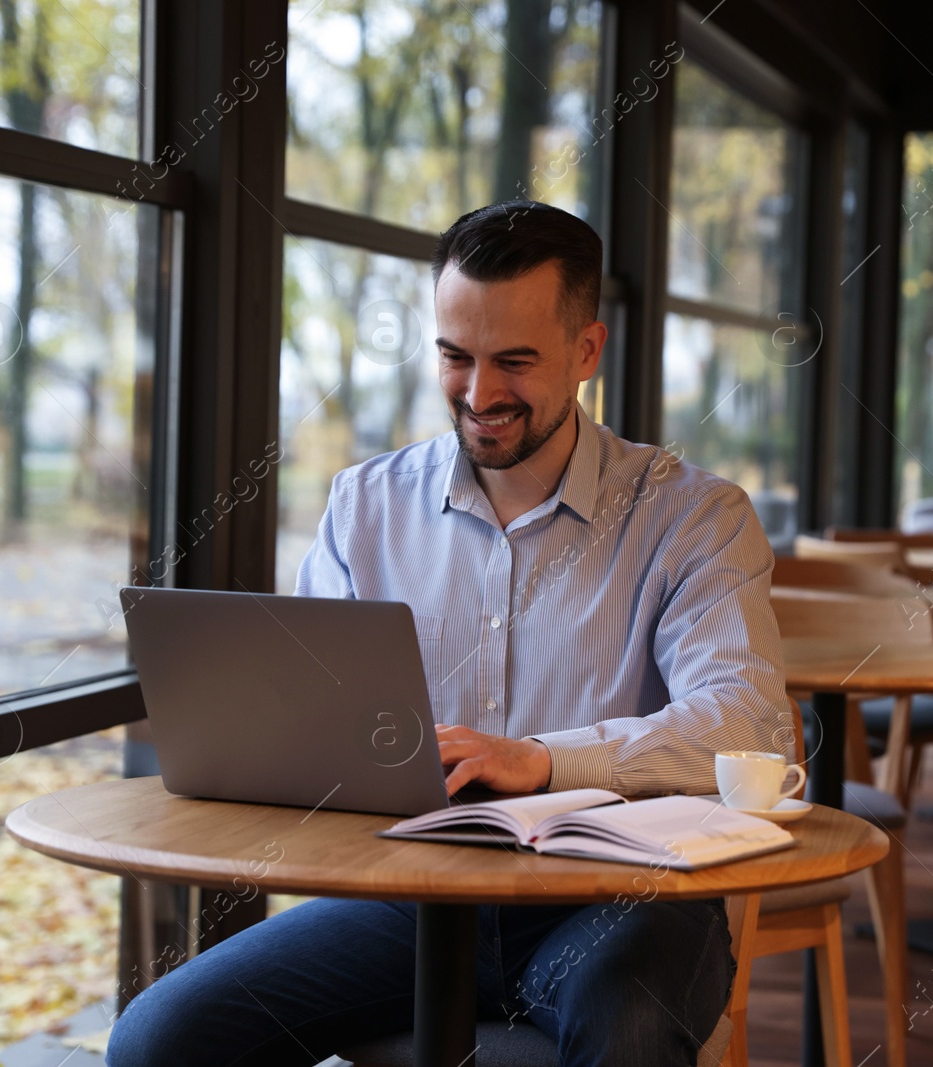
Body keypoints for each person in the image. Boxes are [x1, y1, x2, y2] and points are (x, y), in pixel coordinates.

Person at [106, 201, 793, 1067]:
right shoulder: (366, 505)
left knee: (629, 1033)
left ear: (587, 351)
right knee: (156, 1040)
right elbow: (312, 730)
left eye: (514, 361)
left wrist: (543, 759)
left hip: (625, 897)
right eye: (454, 356)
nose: (479, 394)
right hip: (407, 896)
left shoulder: (693, 516)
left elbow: (752, 725)